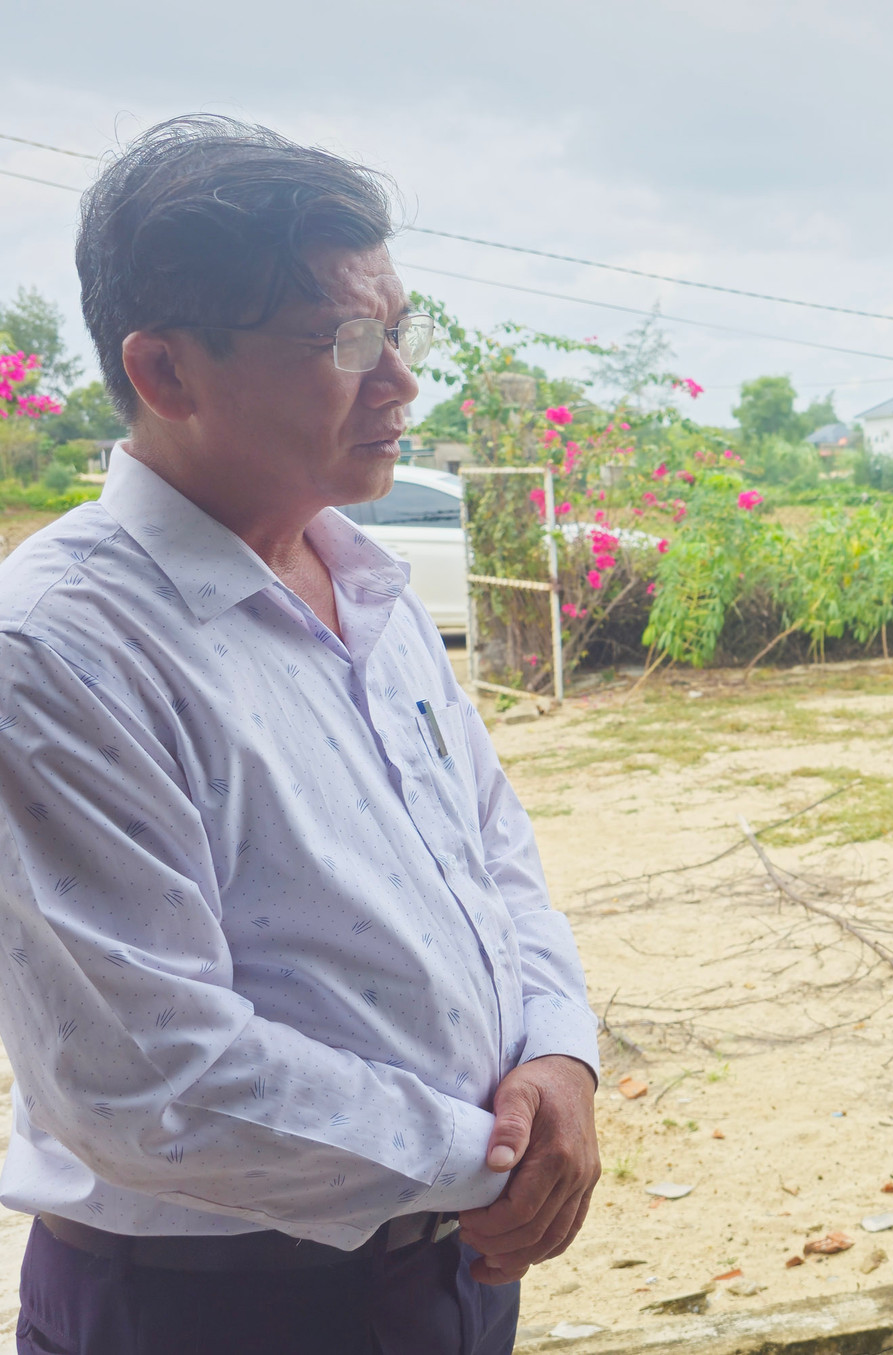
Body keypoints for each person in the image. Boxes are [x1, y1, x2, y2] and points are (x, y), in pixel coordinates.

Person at [0, 116, 600, 1354]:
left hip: (450, 1269)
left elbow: (494, 856)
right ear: (166, 373)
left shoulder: (362, 583)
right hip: (221, 1309)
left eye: (399, 330)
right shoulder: (61, 650)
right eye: (346, 340)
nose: (400, 381)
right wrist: (493, 1154)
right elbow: (152, 1079)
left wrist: (560, 1059)